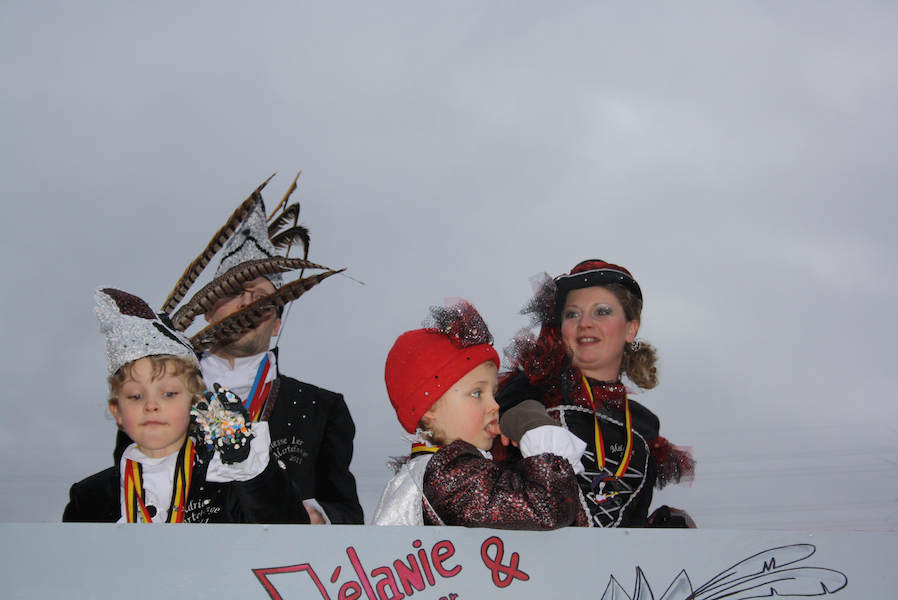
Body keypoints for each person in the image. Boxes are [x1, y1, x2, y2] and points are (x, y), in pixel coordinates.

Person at [158, 176, 363, 525]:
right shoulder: (156, 397)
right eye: (233, 292)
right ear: (207, 310)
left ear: (277, 322)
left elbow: (347, 513)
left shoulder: (322, 408)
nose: (246, 305)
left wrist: (318, 517)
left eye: (261, 299)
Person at [63, 288, 310, 524]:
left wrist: (245, 462)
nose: (151, 405)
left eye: (169, 394)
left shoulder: (228, 478)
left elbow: (289, 529)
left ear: (194, 403)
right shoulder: (89, 497)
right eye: (136, 396)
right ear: (117, 410)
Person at [496, 260, 695, 528]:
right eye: (572, 314)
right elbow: (510, 415)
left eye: (601, 312)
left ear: (630, 329)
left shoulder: (644, 423)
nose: (585, 323)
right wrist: (532, 424)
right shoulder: (531, 387)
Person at [372, 300, 589, 529]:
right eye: (477, 393)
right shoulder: (450, 477)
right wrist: (537, 431)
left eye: (493, 394)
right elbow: (547, 509)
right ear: (429, 409)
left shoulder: (439, 472)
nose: (494, 406)